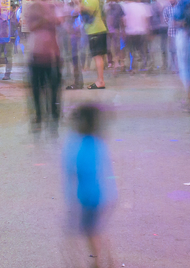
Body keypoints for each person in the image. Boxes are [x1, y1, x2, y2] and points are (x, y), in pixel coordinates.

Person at [63, 104, 114, 268]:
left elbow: (78, 172)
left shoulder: (81, 145)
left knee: (91, 232)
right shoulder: (96, 140)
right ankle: (107, 260)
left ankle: (98, 262)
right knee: (96, 230)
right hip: (104, 195)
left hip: (91, 198)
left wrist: (76, 201)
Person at [23, 0, 61, 130]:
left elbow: (59, 24)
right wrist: (43, 19)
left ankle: (53, 113)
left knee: (53, 88)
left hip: (52, 55)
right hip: (36, 55)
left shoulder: (52, 9)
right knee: (37, 89)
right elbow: (31, 27)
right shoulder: (33, 10)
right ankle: (39, 115)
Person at [79, 0, 108, 90]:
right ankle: (100, 79)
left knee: (97, 57)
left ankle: (100, 81)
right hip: (100, 29)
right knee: (99, 56)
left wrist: (81, 7)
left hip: (94, 30)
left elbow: (90, 11)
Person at [120, 0, 150, 73]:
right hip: (141, 31)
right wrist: (148, 30)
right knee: (142, 50)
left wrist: (123, 31)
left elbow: (123, 20)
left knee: (131, 51)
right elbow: (146, 19)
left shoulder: (126, 7)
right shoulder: (142, 6)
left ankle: (133, 68)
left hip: (130, 32)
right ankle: (145, 66)